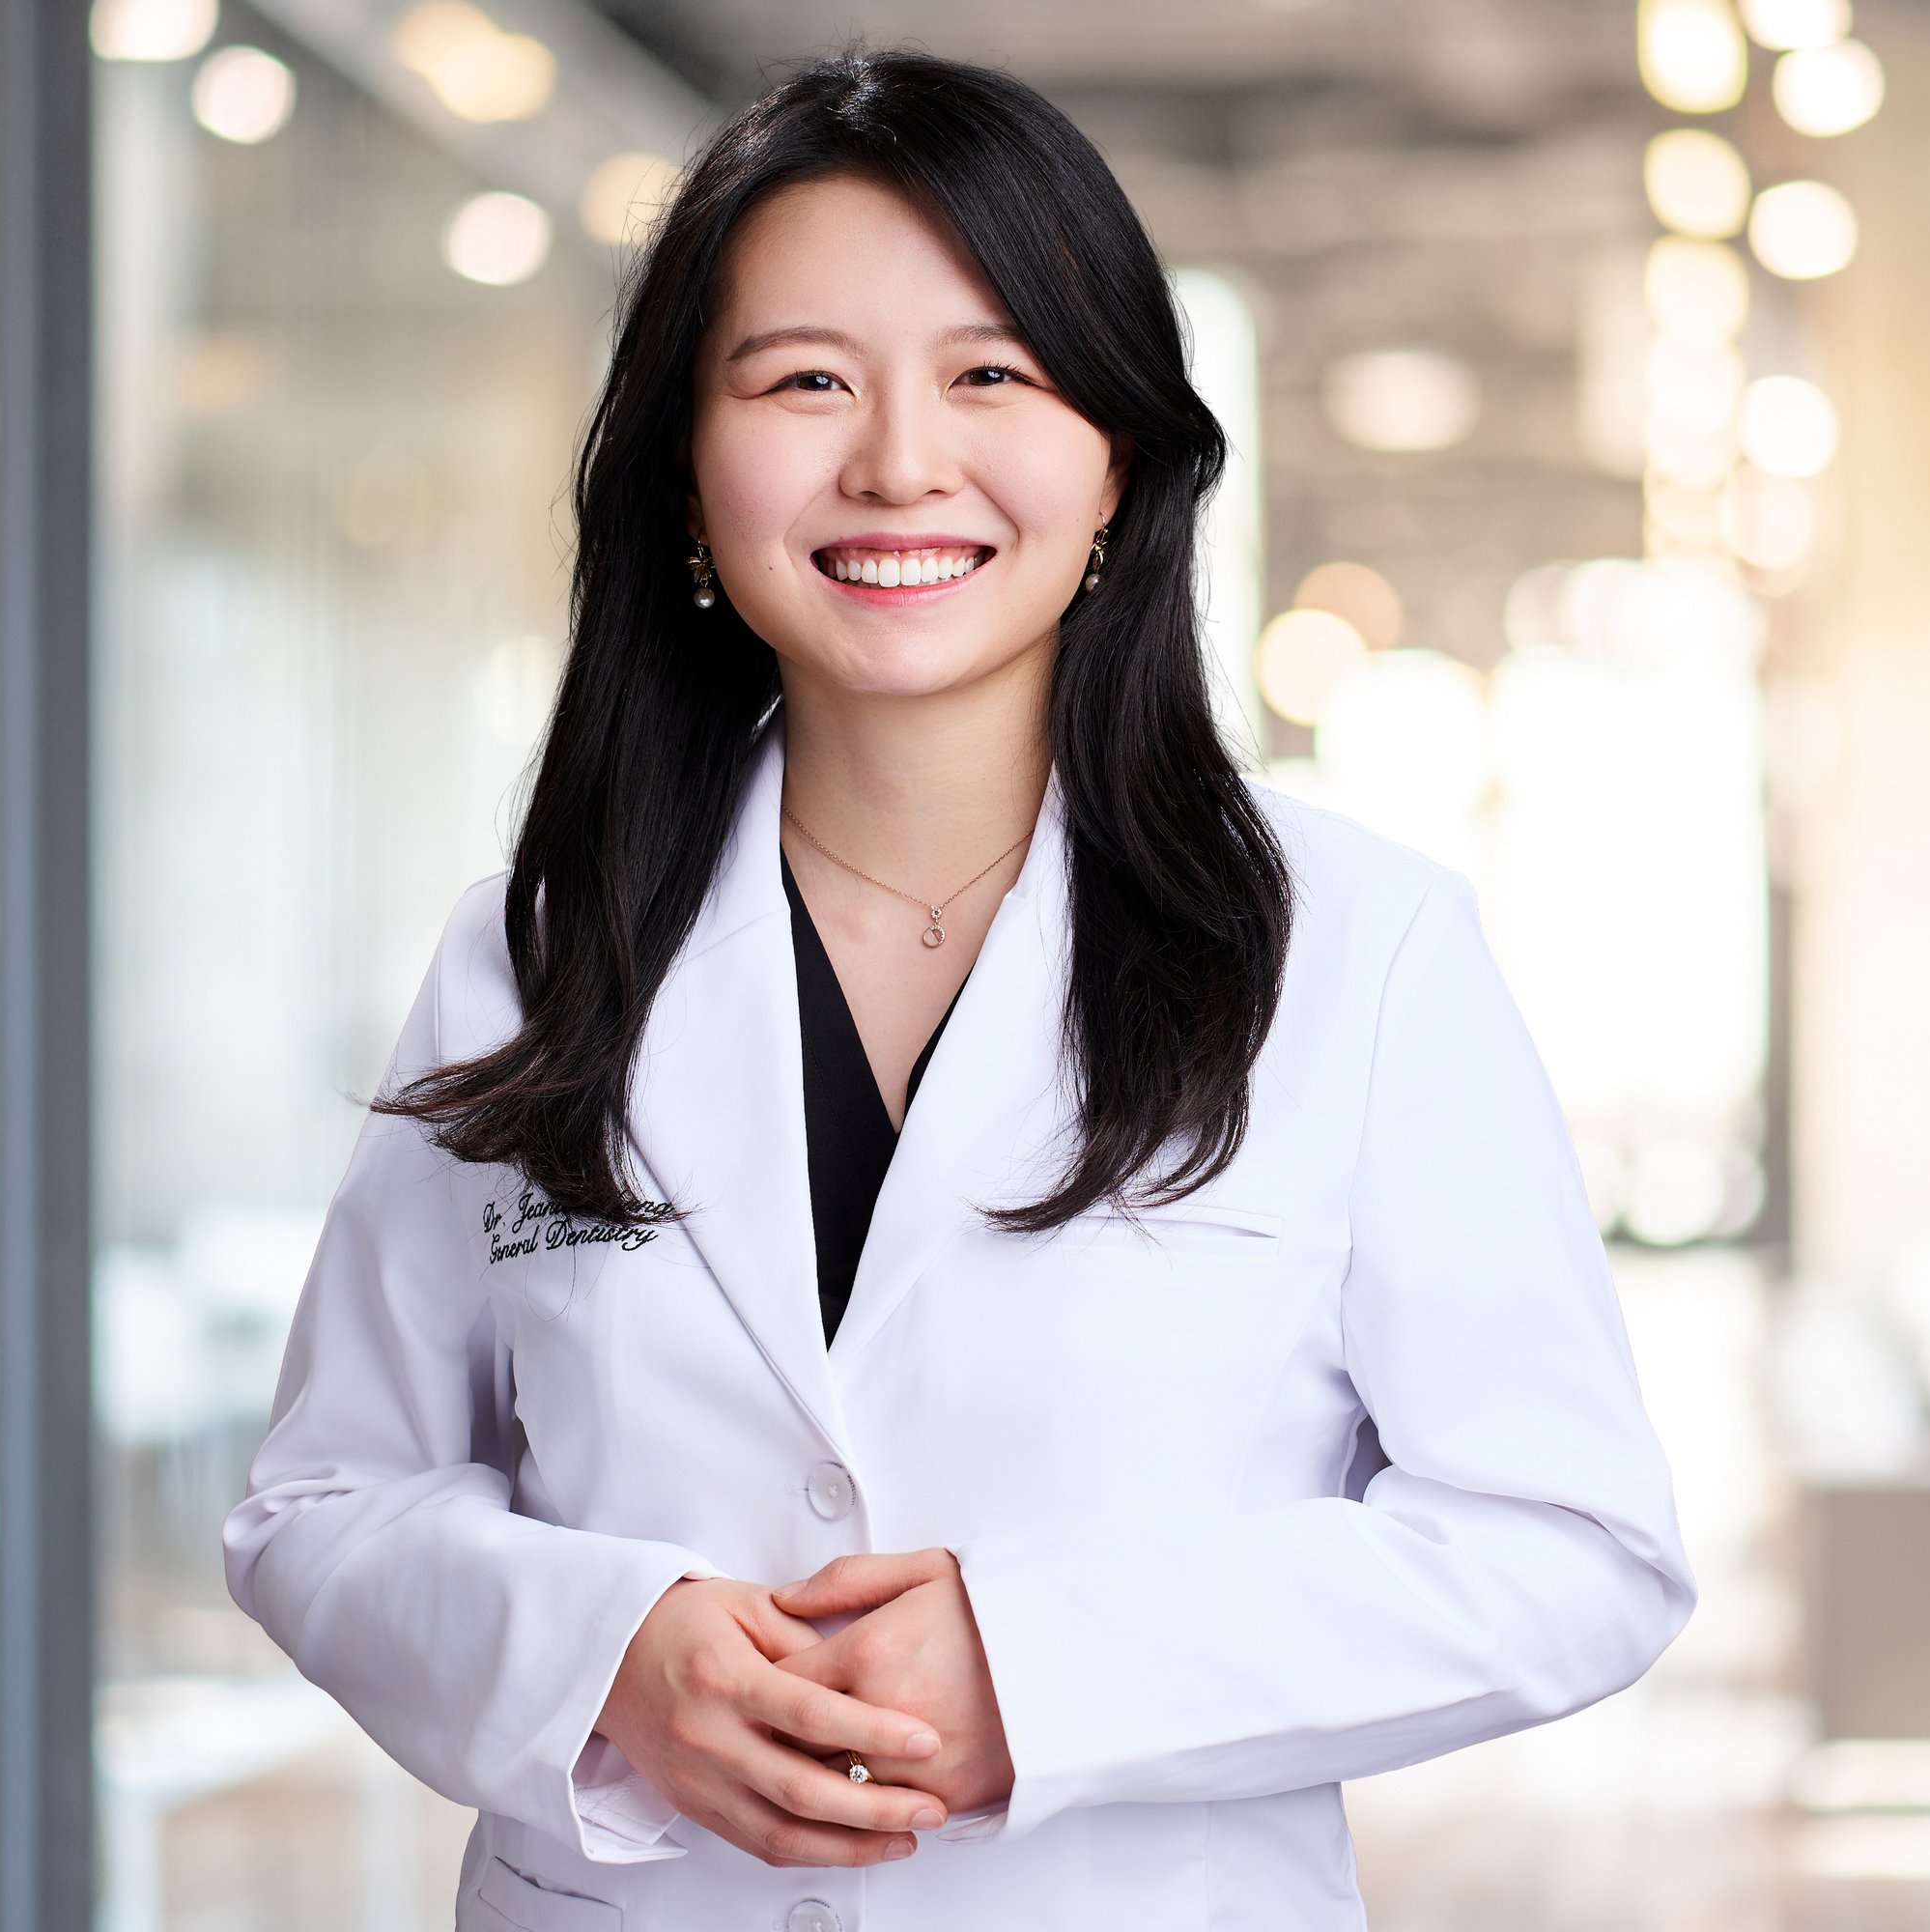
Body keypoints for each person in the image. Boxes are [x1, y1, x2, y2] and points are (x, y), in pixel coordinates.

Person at [223, 48, 1695, 1932]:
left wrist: (1039, 1670)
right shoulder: (531, 946)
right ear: (687, 461)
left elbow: (1568, 1547)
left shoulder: (1356, 948)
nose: (897, 461)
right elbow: (325, 1504)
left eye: (988, 372)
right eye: (800, 380)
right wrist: (609, 1660)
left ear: (1117, 462)